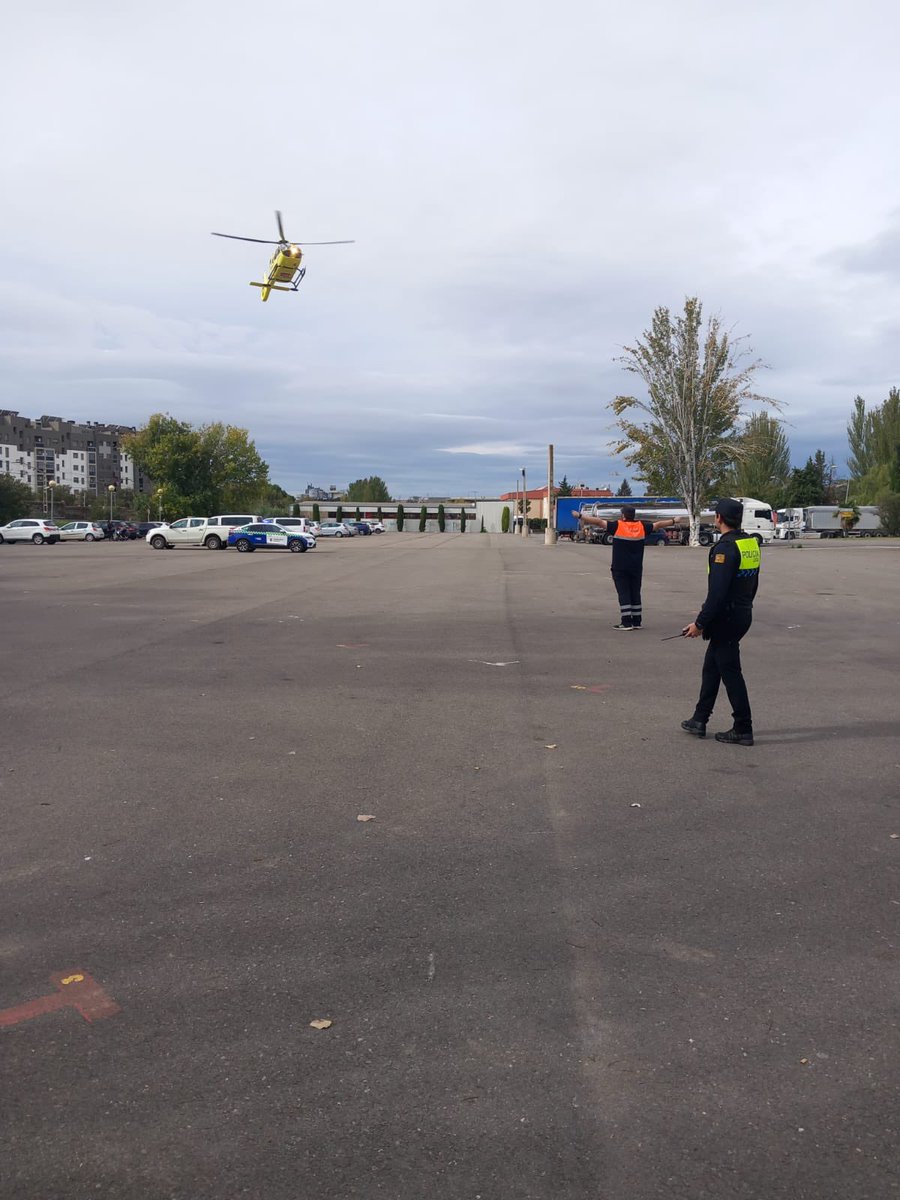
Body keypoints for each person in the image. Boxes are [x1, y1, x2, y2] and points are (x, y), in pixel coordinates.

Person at [681, 497, 760, 746]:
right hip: (742, 612)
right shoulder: (749, 543)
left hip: (726, 617)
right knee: (712, 667)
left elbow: (717, 593)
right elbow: (753, 582)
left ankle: (743, 727)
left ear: (718, 518)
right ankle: (699, 718)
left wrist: (700, 624)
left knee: (730, 672)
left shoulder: (724, 549)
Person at [576, 504, 678, 629]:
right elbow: (658, 524)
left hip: (620, 567)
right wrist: (673, 520)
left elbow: (597, 521)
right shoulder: (642, 526)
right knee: (635, 592)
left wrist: (580, 516)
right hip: (636, 567)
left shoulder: (617, 525)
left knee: (623, 593)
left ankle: (626, 622)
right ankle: (636, 621)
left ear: (623, 515)